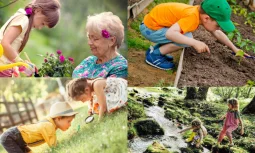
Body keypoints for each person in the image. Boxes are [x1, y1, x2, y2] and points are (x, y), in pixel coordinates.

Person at [140, 0, 249, 70]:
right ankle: (154, 56)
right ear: (206, 18)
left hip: (155, 25)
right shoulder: (192, 17)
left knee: (185, 36)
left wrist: (235, 49)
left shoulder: (198, 13)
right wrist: (195, 42)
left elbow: (217, 33)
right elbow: (170, 34)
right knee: (187, 39)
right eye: (218, 25)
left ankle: (155, 50)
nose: (219, 28)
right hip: (150, 29)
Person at [0, 0, 61, 77]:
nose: (40, 28)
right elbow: (5, 43)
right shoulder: (24, 20)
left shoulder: (25, 20)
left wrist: (19, 65)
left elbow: (11, 47)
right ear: (38, 10)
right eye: (42, 23)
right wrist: (19, 62)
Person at [0, 102, 78, 153]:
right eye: (69, 121)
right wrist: (70, 139)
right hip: (11, 137)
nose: (70, 124)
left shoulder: (50, 123)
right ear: (58, 118)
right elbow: (55, 147)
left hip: (18, 138)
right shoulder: (49, 126)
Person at [72, 12, 127, 78]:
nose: (89, 43)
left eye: (95, 39)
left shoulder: (120, 67)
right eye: (89, 38)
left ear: (112, 41)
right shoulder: (89, 60)